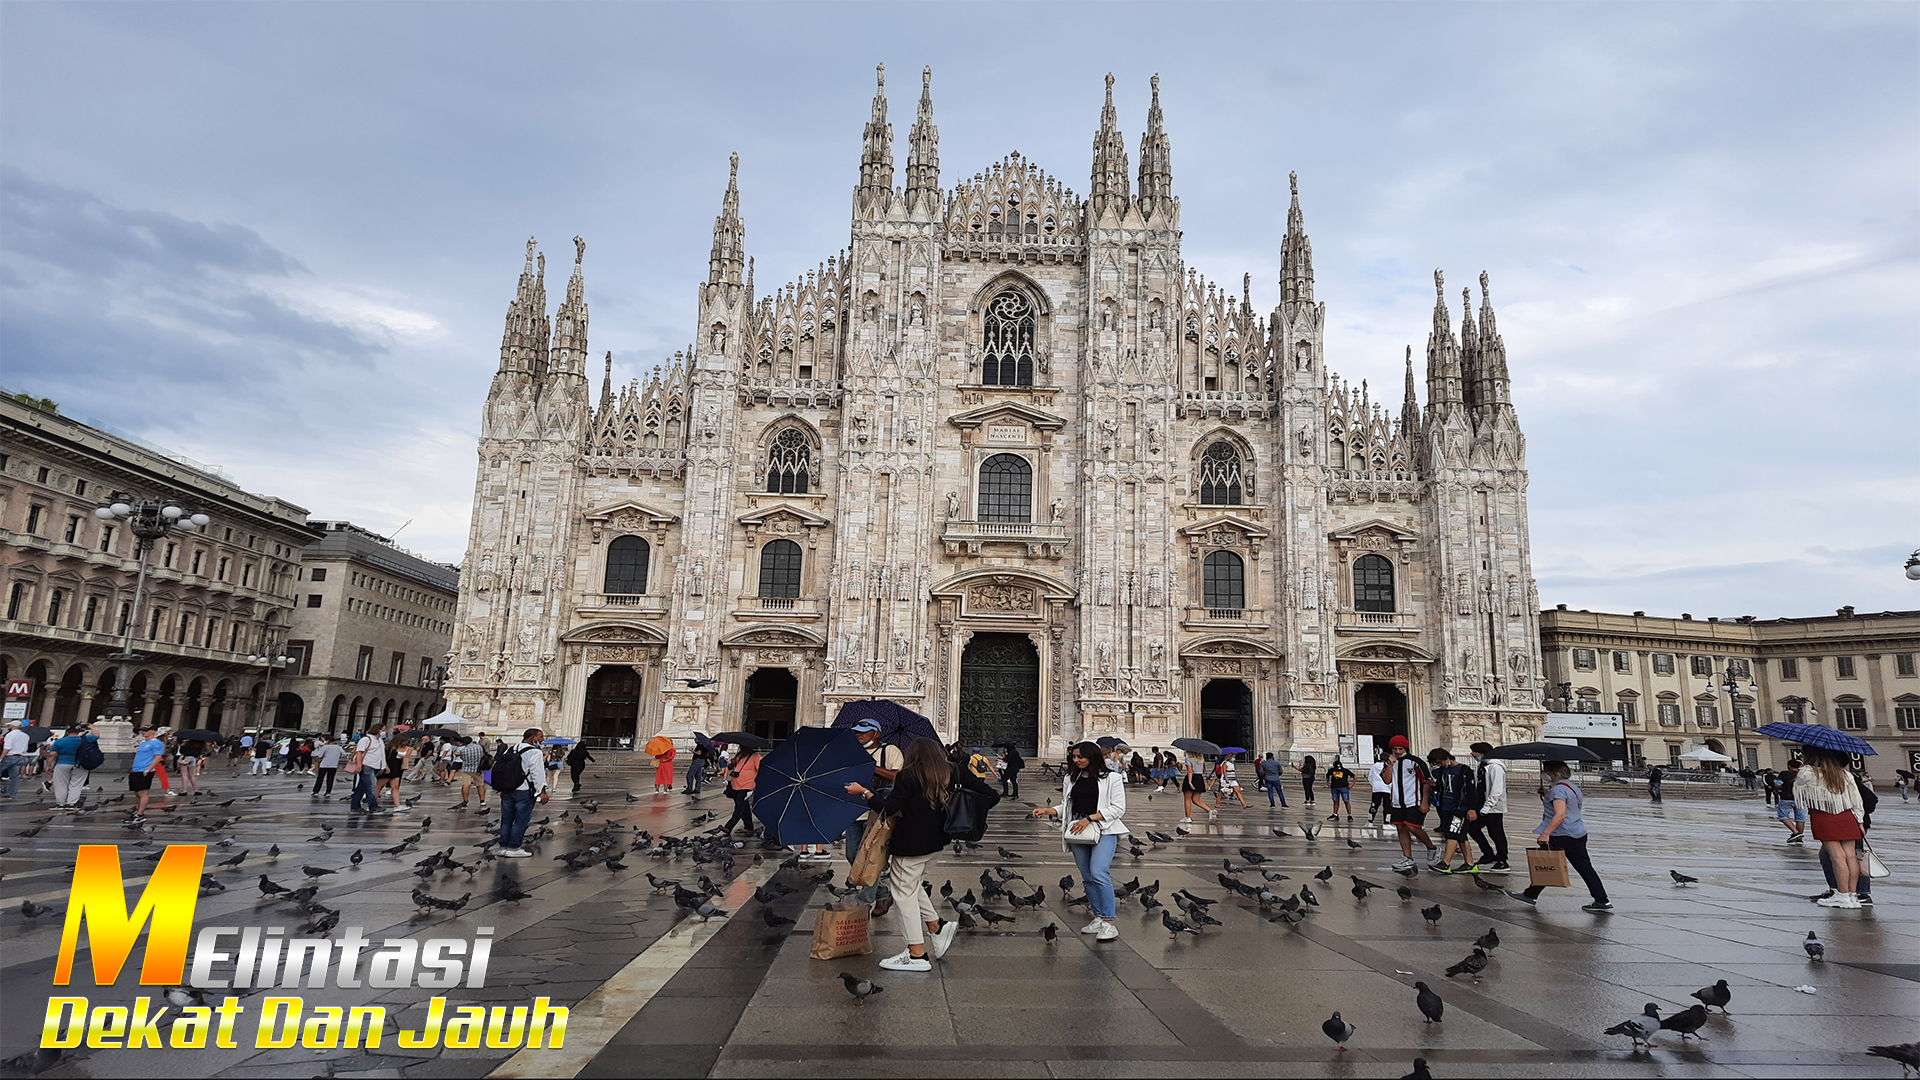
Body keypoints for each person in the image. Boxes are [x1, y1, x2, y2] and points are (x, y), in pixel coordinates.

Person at [846, 737, 995, 971]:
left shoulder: (909, 775)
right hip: (939, 841)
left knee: (903, 894)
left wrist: (864, 792)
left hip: (911, 845)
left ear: (912, 755)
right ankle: (936, 925)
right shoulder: (955, 771)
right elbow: (991, 796)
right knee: (910, 885)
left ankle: (916, 954)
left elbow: (888, 808)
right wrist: (961, 811)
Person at [1030, 740, 1130, 942]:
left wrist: (1090, 818)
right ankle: (1098, 915)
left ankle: (1109, 922)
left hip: (1103, 829)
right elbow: (1067, 805)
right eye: (1074, 757)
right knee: (1086, 875)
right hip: (1078, 829)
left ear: (1091, 757)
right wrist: (1050, 811)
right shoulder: (1071, 778)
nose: (1076, 760)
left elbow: (1119, 808)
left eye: (1080, 757)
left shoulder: (1112, 778)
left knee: (1099, 872)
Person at [1508, 760, 1612, 912]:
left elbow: (1560, 814)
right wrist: (1546, 794)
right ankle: (1602, 899)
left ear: (1554, 774)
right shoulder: (1571, 787)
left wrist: (1546, 833)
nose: (1544, 774)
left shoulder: (1558, 791)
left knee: (1545, 864)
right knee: (1584, 868)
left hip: (1562, 833)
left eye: (1546, 772)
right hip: (1577, 832)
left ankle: (1530, 895)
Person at [1795, 748, 1866, 909]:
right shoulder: (1844, 774)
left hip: (1824, 815)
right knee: (1850, 856)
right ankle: (1852, 895)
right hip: (1848, 815)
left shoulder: (1807, 772)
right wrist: (1860, 821)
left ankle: (1841, 894)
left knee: (1836, 856)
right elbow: (1857, 800)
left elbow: (1800, 796)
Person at [1812, 764, 1876, 907]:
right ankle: (1847, 891)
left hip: (1848, 821)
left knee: (1846, 856)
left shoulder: (1844, 778)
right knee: (1847, 856)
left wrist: (1857, 816)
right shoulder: (1845, 777)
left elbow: (1870, 800)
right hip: (1852, 821)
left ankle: (1855, 892)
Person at [843, 720, 904, 862]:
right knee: (852, 855)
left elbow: (897, 776)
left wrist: (869, 767)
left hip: (876, 810)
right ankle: (876, 883)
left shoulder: (889, 751)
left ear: (877, 734)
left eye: (863, 732)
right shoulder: (850, 753)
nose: (858, 734)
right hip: (854, 810)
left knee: (870, 856)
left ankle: (871, 884)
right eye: (856, 732)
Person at [1384, 736, 1438, 873]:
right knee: (1401, 828)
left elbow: (1426, 781)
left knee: (1413, 827)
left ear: (1406, 748)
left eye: (1400, 749)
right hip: (1397, 801)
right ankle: (1407, 857)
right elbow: (1386, 780)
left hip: (1414, 800)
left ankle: (1432, 847)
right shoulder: (1390, 763)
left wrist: (1425, 802)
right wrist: (1390, 765)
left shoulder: (1416, 762)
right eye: (1394, 749)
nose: (1397, 751)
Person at [495, 728, 549, 858]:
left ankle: (503, 846)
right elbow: (538, 774)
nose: (542, 740)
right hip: (524, 790)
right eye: (541, 737)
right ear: (532, 738)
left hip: (508, 789)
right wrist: (542, 792)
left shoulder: (511, 749)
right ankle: (514, 847)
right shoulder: (535, 752)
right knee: (521, 820)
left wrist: (501, 788)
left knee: (506, 819)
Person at [1426, 748, 1478, 873]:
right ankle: (1470, 863)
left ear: (1447, 758)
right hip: (1446, 806)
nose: (1440, 765)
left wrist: (1472, 808)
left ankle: (1446, 862)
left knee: (1452, 833)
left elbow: (1471, 791)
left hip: (1460, 807)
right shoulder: (1443, 770)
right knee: (1460, 836)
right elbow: (1442, 786)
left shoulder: (1464, 770)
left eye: (1440, 762)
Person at [1464, 742, 1511, 873]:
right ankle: (1488, 853)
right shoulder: (1482, 765)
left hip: (1493, 807)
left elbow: (1496, 789)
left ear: (1483, 752)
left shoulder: (1495, 767)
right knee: (1472, 828)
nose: (1472, 754)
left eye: (1475, 752)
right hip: (1481, 804)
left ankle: (1502, 860)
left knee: (1496, 833)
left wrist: (1487, 806)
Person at [47, 722, 99, 808]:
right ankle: (71, 803)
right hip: (80, 765)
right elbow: (96, 735)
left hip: (62, 764)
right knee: (76, 785)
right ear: (78, 732)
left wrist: (48, 765)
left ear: (67, 732)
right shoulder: (85, 739)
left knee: (60, 785)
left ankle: (60, 804)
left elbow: (52, 754)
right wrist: (92, 727)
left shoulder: (60, 741)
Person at [721, 743, 762, 836]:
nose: (742, 748)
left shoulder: (756, 757)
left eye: (744, 746)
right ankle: (748, 827)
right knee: (744, 807)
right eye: (741, 746)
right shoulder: (739, 755)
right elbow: (732, 765)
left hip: (748, 785)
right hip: (736, 785)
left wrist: (757, 784)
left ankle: (728, 826)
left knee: (739, 806)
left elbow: (761, 770)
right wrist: (731, 764)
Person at [128, 724, 166, 822]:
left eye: (146, 730)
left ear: (153, 731)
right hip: (136, 769)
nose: (144, 732)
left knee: (142, 792)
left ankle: (140, 814)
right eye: (143, 730)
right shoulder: (143, 743)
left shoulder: (157, 743)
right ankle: (137, 811)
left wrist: (148, 769)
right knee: (137, 792)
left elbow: (157, 757)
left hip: (145, 770)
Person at [348, 723, 386, 814]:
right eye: (384, 730)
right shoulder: (366, 739)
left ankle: (355, 806)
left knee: (361, 788)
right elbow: (359, 752)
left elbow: (381, 754)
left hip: (376, 766)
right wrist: (359, 765)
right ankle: (373, 806)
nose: (385, 732)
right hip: (367, 765)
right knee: (371, 787)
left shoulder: (379, 740)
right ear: (378, 730)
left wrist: (384, 766)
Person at [1775, 759, 1808, 844]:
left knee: (1783, 816)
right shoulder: (1803, 774)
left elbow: (1777, 784)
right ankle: (1799, 837)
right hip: (1800, 798)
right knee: (1800, 818)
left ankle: (1795, 832)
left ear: (1789, 766)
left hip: (1786, 797)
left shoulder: (1784, 774)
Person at [2, 719, 35, 799]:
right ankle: (12, 793)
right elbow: (26, 748)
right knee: (14, 776)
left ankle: (6, 792)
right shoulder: (25, 736)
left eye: (9, 726)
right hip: (20, 756)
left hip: (10, 756)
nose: (8, 727)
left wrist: (1, 757)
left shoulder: (10, 735)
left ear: (13, 726)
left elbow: (7, 748)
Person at [451, 737, 488, 808]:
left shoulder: (463, 750)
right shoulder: (479, 747)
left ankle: (466, 800)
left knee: (466, 784)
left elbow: (462, 758)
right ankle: (482, 800)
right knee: (480, 784)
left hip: (466, 769)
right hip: (478, 769)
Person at [1178, 752, 1212, 824]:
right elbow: (1204, 770)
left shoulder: (1188, 759)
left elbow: (1190, 771)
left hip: (1192, 778)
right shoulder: (1201, 759)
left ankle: (1187, 817)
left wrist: (1190, 782)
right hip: (1199, 778)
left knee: (1187, 799)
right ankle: (1210, 811)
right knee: (1196, 800)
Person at [1367, 750, 1392, 824]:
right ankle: (1387, 822)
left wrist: (1374, 784)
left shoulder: (1374, 766)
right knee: (1387, 806)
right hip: (1387, 789)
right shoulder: (1389, 766)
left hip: (1376, 788)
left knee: (1374, 805)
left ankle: (1370, 821)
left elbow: (1370, 777)